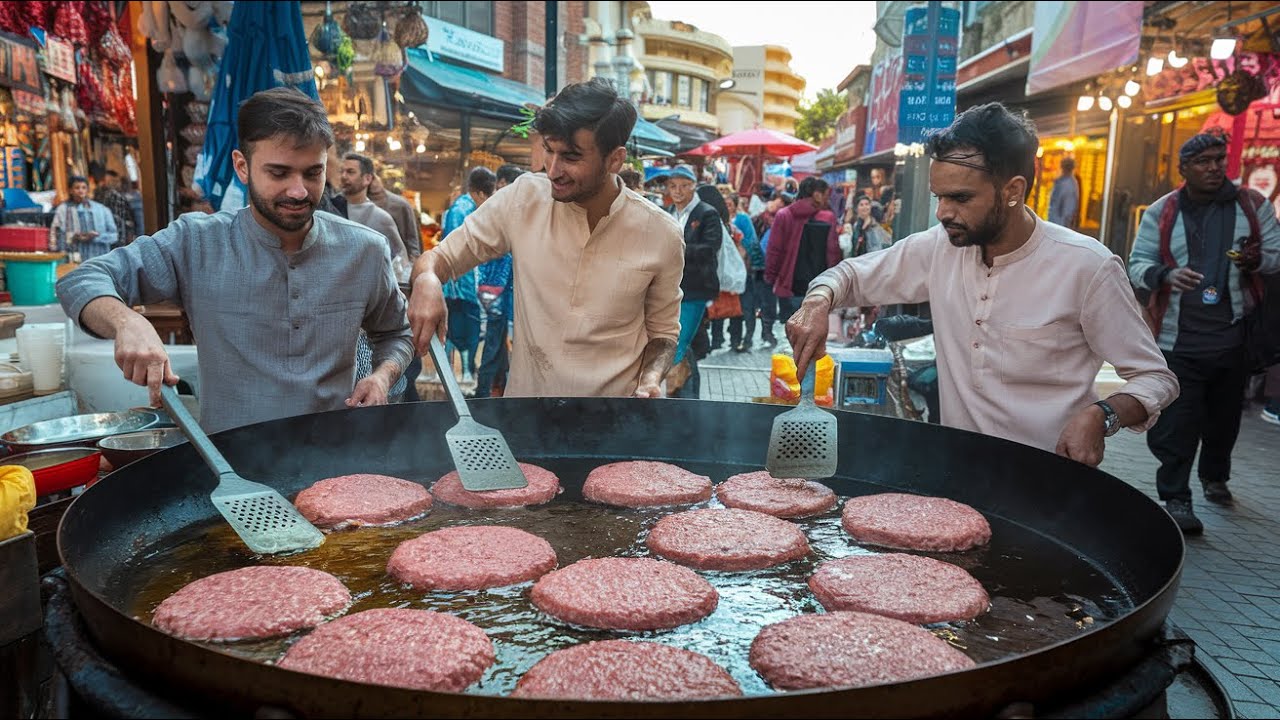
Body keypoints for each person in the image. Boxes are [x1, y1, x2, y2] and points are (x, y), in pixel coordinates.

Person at [786, 102, 1179, 469]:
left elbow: (1156, 378)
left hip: (1051, 481)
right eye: (939, 197)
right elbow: (852, 276)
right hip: (959, 473)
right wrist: (817, 302)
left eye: (960, 198)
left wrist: (1102, 414)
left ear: (1013, 191)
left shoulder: (1086, 266)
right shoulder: (941, 247)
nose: (943, 213)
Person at [56, 87, 413, 432]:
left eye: (312, 173)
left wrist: (382, 377)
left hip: (336, 455)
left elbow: (397, 333)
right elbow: (80, 280)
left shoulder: (364, 249)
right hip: (228, 461)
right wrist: (126, 323)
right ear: (242, 167)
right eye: (278, 173)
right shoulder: (196, 241)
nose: (298, 191)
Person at [407, 77, 683, 398]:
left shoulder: (661, 233)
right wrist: (427, 280)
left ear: (615, 160)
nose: (552, 170)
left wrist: (651, 379)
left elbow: (663, 333)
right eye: (549, 151)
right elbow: (441, 258)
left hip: (617, 416)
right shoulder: (523, 198)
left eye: (571, 157)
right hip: (526, 415)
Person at [1128, 131, 1280, 533]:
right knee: (1177, 423)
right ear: (1184, 169)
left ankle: (1215, 476)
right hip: (1178, 340)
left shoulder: (1253, 205)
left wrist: (1255, 260)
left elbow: (1277, 256)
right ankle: (1176, 497)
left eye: (1219, 159)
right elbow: (1136, 264)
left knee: (1223, 420)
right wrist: (1166, 275)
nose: (1214, 167)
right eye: (1203, 161)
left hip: (1234, 337)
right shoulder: (1162, 211)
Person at [665, 164, 723, 398]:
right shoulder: (668, 211)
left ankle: (679, 398)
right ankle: (688, 398)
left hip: (696, 289)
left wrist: (676, 249)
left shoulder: (707, 213)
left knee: (678, 345)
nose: (677, 191)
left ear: (693, 187)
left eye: (683, 186)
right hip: (670, 289)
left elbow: (710, 248)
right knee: (681, 344)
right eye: (673, 186)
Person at [438, 167, 496, 385]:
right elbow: (456, 251)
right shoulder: (462, 210)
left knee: (461, 328)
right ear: (480, 193)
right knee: (460, 329)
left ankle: (460, 373)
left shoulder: (463, 207)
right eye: (488, 196)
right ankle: (458, 375)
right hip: (460, 286)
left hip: (463, 284)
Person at [473, 164, 526, 398]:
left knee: (499, 347)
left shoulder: (509, 212)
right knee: (495, 345)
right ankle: (484, 393)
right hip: (500, 296)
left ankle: (494, 389)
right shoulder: (504, 213)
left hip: (504, 296)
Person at [764, 177, 841, 321]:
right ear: (817, 195)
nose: (827, 200)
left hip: (789, 284)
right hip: (820, 285)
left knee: (792, 326)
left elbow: (774, 250)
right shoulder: (827, 217)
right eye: (826, 196)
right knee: (814, 327)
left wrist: (771, 277)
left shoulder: (784, 215)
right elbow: (832, 251)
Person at [701, 185, 746, 352]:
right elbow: (741, 247)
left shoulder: (707, 223)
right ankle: (734, 341)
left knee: (716, 311)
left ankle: (717, 341)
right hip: (728, 276)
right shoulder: (728, 225)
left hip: (714, 275)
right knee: (732, 311)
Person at [340, 152, 406, 262]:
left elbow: (399, 259)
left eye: (350, 172)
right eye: (341, 171)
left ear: (367, 179)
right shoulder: (331, 209)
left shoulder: (381, 218)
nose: (343, 176)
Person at [50, 175, 118, 262]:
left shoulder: (101, 209)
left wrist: (95, 237)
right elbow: (55, 234)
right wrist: (74, 237)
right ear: (70, 190)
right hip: (72, 259)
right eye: (77, 188)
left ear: (87, 190)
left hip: (99, 259)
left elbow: (114, 236)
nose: (81, 191)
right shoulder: (63, 209)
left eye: (83, 187)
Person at [727, 193, 762, 352]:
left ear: (735, 205)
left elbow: (751, 241)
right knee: (734, 305)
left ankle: (748, 339)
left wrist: (739, 244)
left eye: (729, 204)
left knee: (747, 305)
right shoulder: (721, 219)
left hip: (744, 268)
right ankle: (734, 340)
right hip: (730, 270)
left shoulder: (742, 219)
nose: (727, 208)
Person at [368, 166, 421, 262]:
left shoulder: (401, 205)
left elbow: (412, 239)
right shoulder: (354, 203)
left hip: (396, 261)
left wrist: (414, 262)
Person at [91, 166, 138, 246]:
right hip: (115, 237)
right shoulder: (113, 196)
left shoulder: (100, 196)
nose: (117, 183)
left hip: (107, 236)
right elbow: (121, 219)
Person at [1048, 157, 1080, 230]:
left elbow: (1067, 209)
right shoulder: (1063, 182)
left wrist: (1064, 225)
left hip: (1058, 224)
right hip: (1055, 222)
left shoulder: (1067, 184)